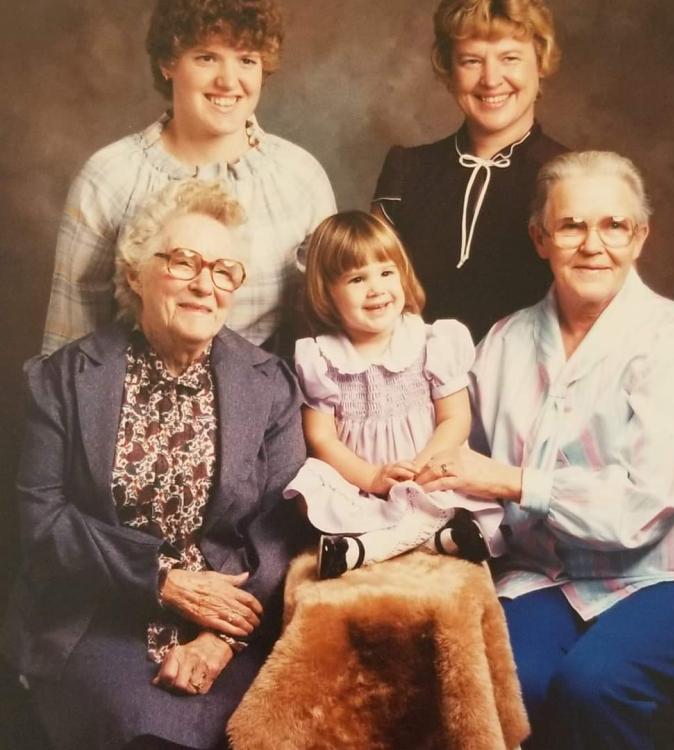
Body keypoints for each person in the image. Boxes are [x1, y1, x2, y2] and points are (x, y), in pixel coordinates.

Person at [416, 151, 674, 749]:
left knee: (591, 685)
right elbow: (470, 473)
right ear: (541, 238)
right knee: (497, 681)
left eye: (614, 225)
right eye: (571, 226)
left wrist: (518, 482)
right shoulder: (503, 342)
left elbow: (641, 508)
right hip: (545, 577)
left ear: (640, 236)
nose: (593, 244)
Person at [2, 180, 308, 750]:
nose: (203, 284)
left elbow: (282, 527)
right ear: (136, 274)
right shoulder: (63, 380)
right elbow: (43, 523)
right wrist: (164, 581)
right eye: (184, 261)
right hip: (98, 617)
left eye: (223, 271)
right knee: (143, 734)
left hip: (232, 622)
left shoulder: (269, 385)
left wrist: (223, 639)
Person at [42, 0, 335, 357]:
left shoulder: (301, 178)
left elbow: (330, 336)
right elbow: (67, 347)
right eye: (206, 57)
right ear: (168, 63)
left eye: (246, 59)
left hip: (264, 404)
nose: (229, 81)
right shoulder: (108, 178)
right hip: (130, 403)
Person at [283, 211, 495, 579]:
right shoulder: (321, 357)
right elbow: (321, 437)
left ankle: (365, 549)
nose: (377, 288)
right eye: (357, 279)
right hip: (361, 481)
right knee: (310, 489)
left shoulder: (432, 341)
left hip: (428, 469)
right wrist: (372, 478)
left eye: (386, 272)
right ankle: (435, 540)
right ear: (327, 293)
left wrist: (422, 467)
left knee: (459, 486)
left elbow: (455, 418)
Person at [372, 0, 566, 344]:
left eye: (510, 58)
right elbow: (371, 294)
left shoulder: (574, 178)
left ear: (541, 61)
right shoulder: (407, 169)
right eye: (471, 61)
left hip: (529, 383)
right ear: (448, 70)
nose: (491, 80)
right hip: (415, 383)